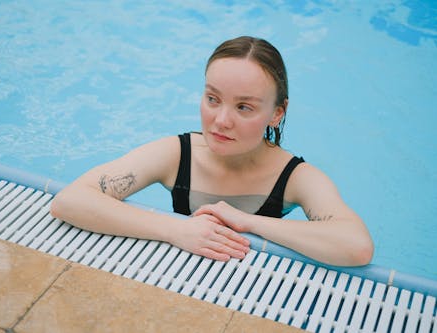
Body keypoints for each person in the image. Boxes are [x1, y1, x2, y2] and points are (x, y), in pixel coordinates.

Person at [50, 36, 374, 266]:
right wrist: (177, 230)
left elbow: (356, 246)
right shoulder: (177, 155)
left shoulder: (296, 178)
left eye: (244, 107)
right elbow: (70, 201)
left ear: (277, 112)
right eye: (212, 99)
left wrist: (246, 221)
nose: (220, 121)